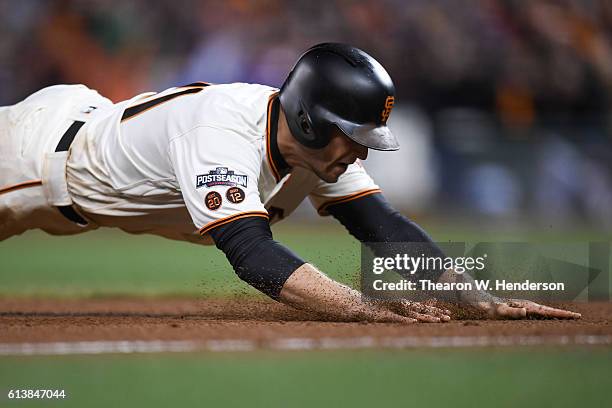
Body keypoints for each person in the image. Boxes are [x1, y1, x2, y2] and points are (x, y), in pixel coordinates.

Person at [0, 43, 580, 322]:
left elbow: (383, 225)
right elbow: (251, 251)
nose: (357, 151)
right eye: (351, 135)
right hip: (31, 160)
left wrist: (477, 297)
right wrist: (360, 307)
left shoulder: (312, 148)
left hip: (81, 138)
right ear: (308, 120)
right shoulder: (222, 134)